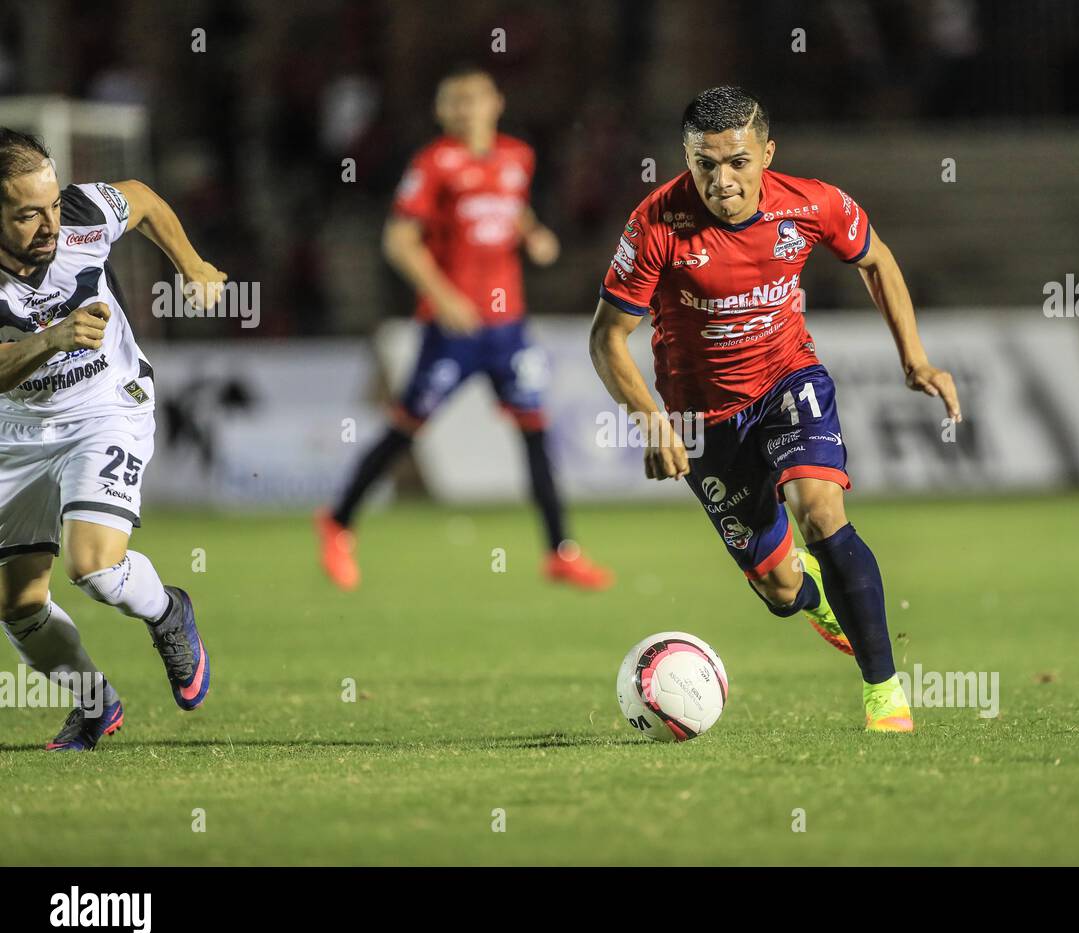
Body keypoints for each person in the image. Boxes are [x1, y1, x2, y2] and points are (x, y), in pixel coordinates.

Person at [588, 88, 961, 731]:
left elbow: (876, 260)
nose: (721, 180)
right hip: (702, 421)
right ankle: (816, 598)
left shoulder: (811, 203)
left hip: (789, 379)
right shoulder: (655, 225)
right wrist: (651, 419)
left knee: (820, 511)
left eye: (736, 161)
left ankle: (884, 695)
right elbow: (605, 338)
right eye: (704, 164)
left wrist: (915, 357)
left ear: (766, 154)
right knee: (780, 588)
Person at [317, 66, 612, 591]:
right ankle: (337, 522)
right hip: (452, 330)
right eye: (454, 101)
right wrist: (444, 296)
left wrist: (534, 233)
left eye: (474, 99)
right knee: (406, 427)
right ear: (440, 111)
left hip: (508, 328)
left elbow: (511, 208)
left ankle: (560, 551)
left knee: (535, 430)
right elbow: (399, 241)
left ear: (496, 102)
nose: (465, 109)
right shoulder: (433, 164)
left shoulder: (518, 157)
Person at [0, 129, 221, 750]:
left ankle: (167, 611)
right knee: (16, 603)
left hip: (106, 405)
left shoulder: (80, 214)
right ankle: (95, 704)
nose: (50, 224)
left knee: (92, 566)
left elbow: (145, 201)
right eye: (27, 214)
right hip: (16, 431)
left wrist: (193, 264)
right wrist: (52, 338)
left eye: (51, 204)